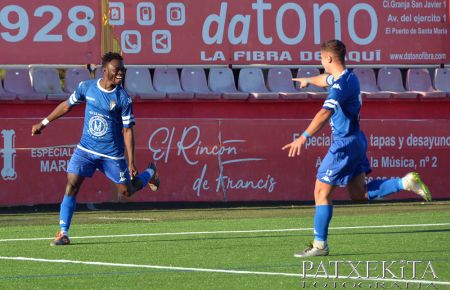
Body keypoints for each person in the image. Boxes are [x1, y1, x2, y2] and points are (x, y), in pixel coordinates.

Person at [282, 40, 431, 258]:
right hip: (356, 140)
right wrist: (309, 80)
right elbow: (325, 79)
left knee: (321, 192)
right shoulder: (349, 78)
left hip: (344, 144)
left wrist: (303, 137)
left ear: (329, 59)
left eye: (322, 58)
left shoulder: (341, 87)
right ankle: (405, 182)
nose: (321, 61)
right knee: (358, 193)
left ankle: (319, 245)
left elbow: (324, 113)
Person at [31, 52, 160, 246]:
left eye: (123, 70)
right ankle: (63, 233)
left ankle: (150, 173)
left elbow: (128, 130)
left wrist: (131, 161)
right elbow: (67, 105)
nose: (121, 73)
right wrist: (44, 123)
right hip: (86, 150)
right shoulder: (87, 87)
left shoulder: (123, 99)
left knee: (126, 192)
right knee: (72, 184)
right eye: (117, 69)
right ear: (105, 69)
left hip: (112, 155)